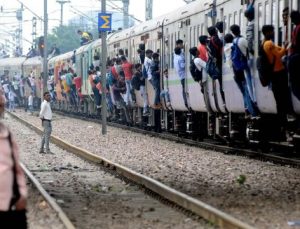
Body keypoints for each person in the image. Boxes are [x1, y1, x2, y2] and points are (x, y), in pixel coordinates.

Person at [0, 90, 28, 228]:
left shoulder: (8, 136)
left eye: (1, 105)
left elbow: (17, 169)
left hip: (9, 203)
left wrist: (22, 194)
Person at [262, 25, 291, 133]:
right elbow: (279, 54)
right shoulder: (268, 44)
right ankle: (283, 123)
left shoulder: (265, 43)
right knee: (282, 99)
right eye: (272, 31)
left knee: (279, 100)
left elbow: (278, 50)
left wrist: (283, 48)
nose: (274, 32)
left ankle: (283, 124)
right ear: (268, 32)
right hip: (278, 73)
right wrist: (286, 47)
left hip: (274, 75)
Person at [230, 24, 258, 117]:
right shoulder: (242, 40)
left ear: (233, 33)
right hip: (245, 63)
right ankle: (253, 105)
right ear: (239, 30)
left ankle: (249, 107)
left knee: (246, 87)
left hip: (237, 66)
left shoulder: (234, 41)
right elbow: (250, 49)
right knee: (249, 84)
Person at [288, 10, 300, 100]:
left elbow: (296, 44)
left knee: (294, 87)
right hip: (295, 57)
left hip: (296, 59)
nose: (291, 21)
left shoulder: (298, 28)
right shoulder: (296, 28)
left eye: (292, 19)